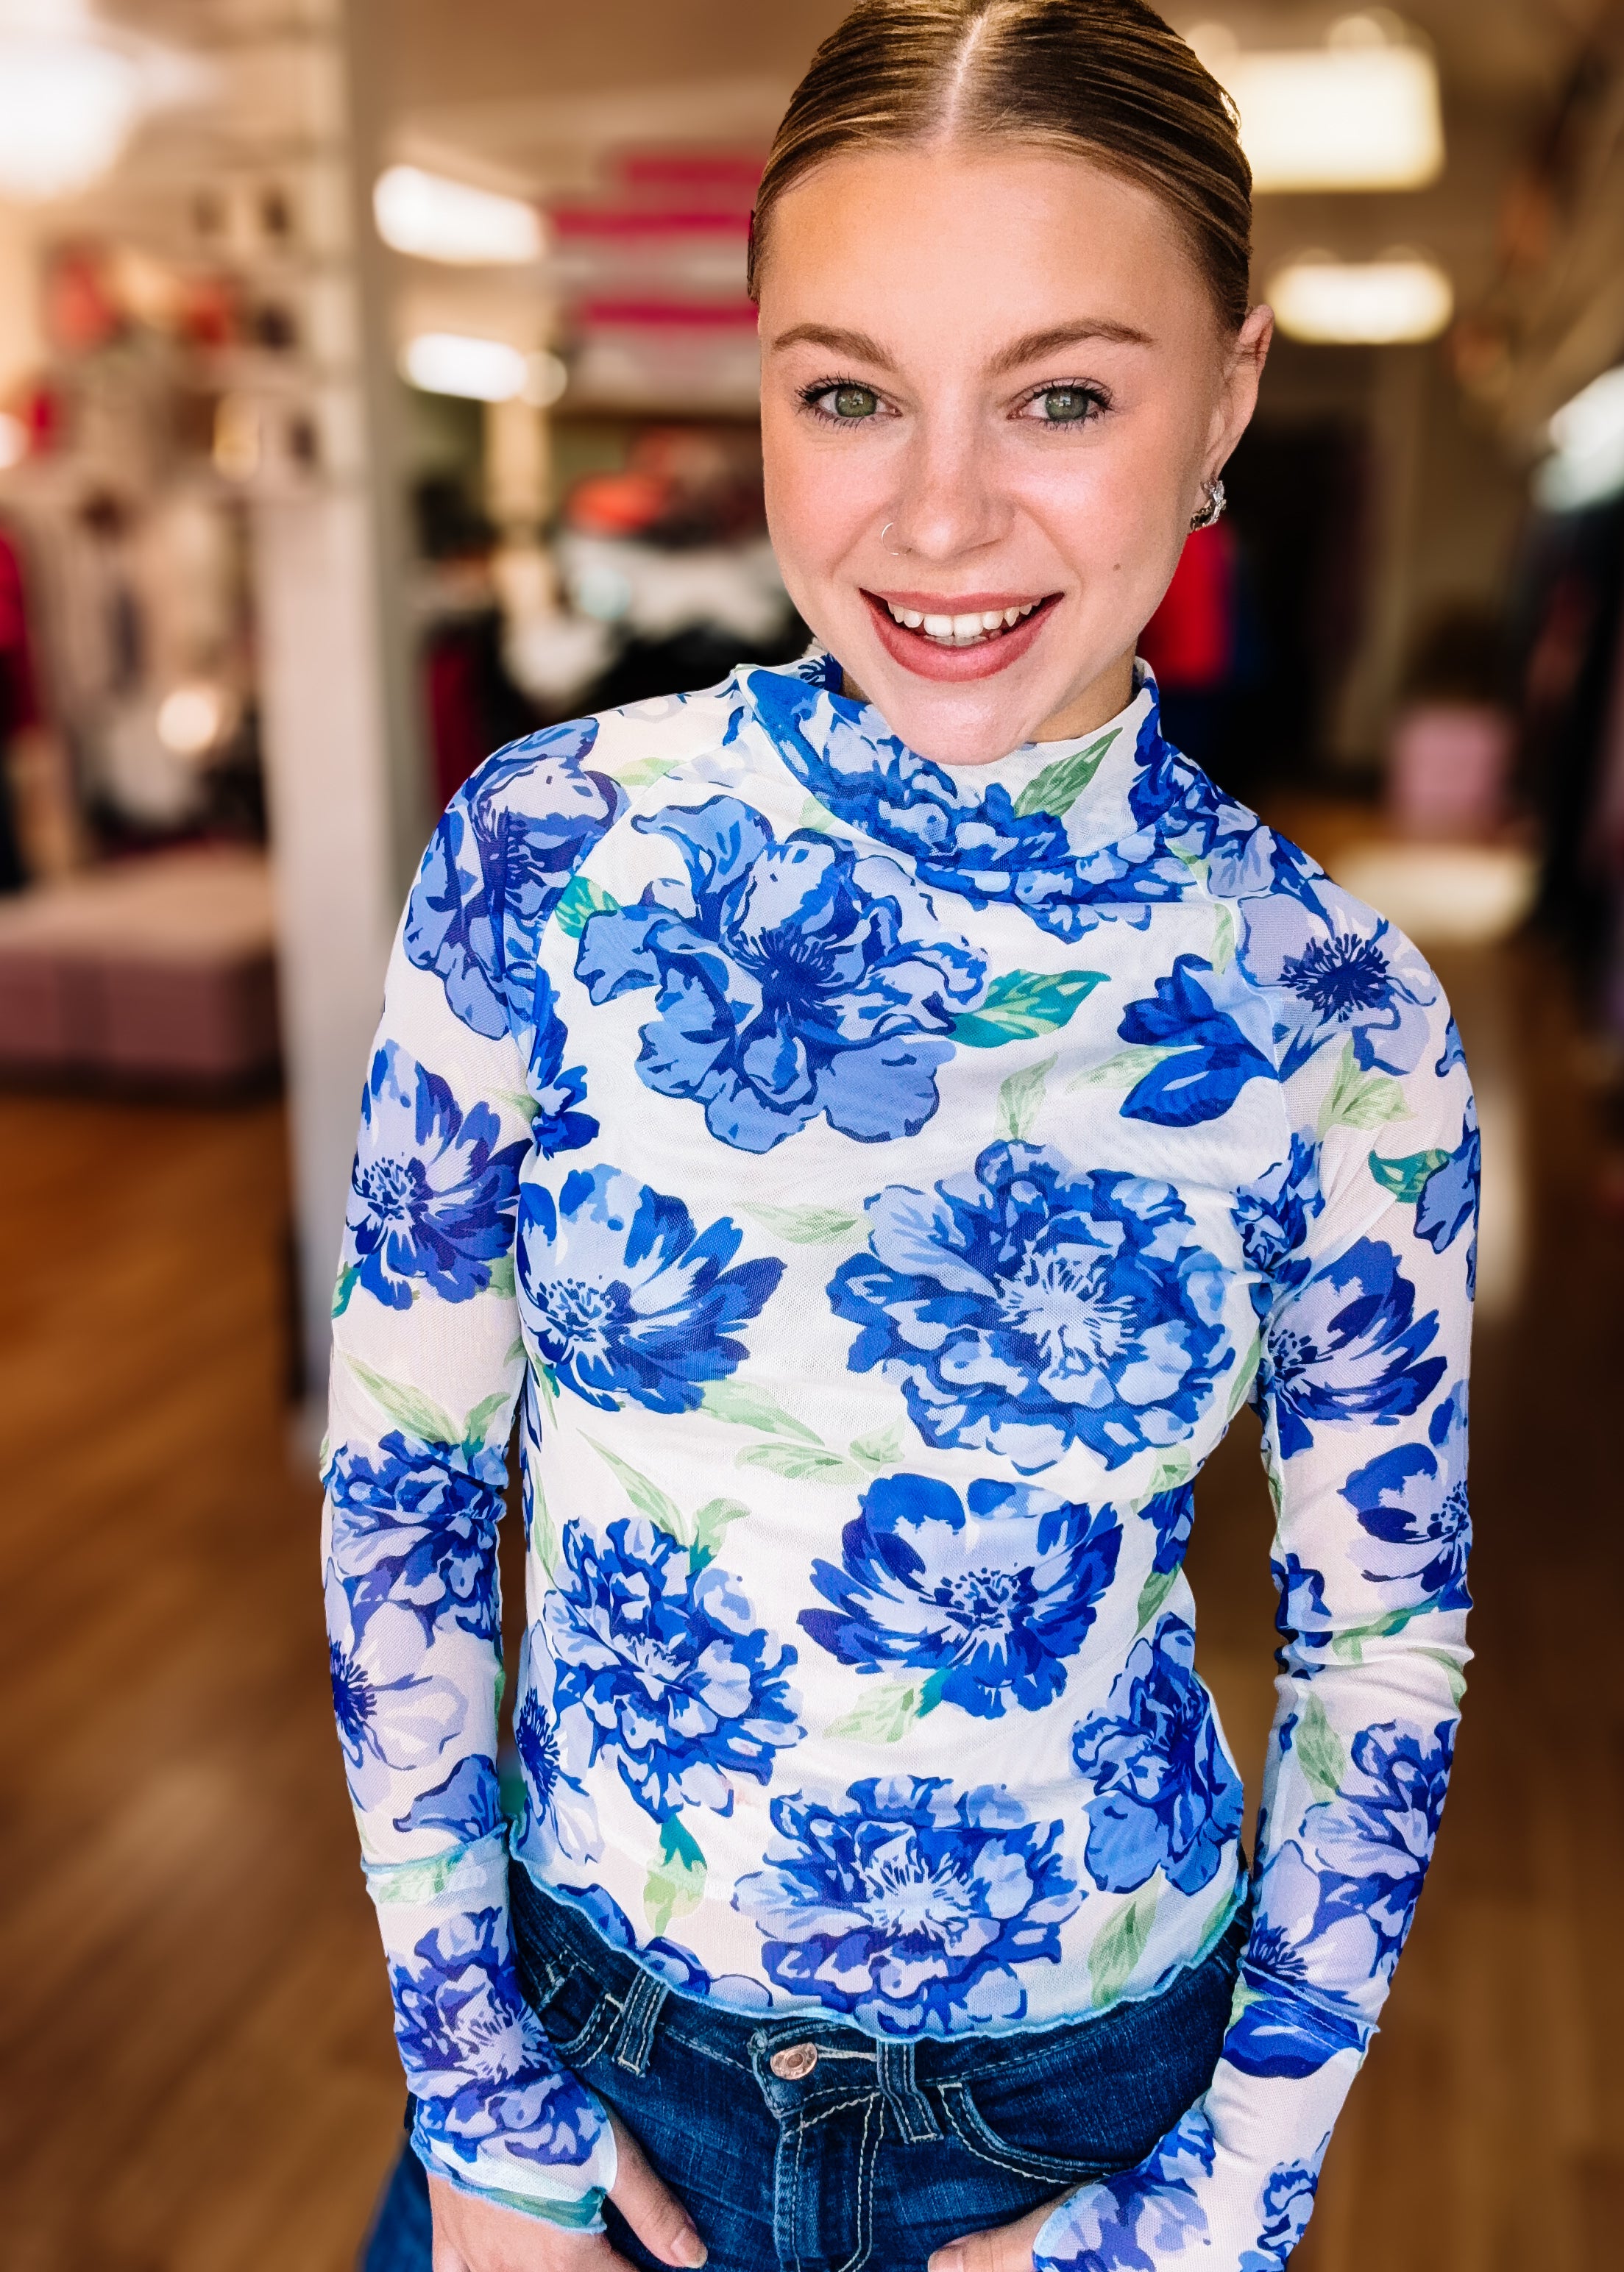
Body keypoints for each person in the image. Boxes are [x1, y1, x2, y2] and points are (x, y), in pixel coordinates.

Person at [327, 6, 1477, 2268]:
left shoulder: (1336, 1016)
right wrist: (478, 2108)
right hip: (579, 2061)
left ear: (1226, 396)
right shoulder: (547, 856)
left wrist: (1202, 2220)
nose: (937, 517)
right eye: (846, 391)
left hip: (1076, 2117)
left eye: (1060, 393)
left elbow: (1384, 1644)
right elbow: (407, 1487)